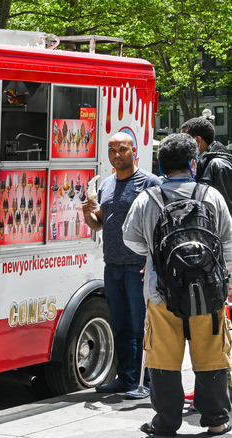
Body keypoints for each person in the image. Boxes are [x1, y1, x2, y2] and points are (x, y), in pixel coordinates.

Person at [122, 133, 232, 436]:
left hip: (161, 293)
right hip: (209, 293)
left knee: (163, 357)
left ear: (161, 165)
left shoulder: (148, 198)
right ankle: (217, 421)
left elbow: (130, 239)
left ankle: (166, 422)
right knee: (211, 353)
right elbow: (227, 245)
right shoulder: (211, 196)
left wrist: (156, 258)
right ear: (192, 163)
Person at [81, 131, 161, 398]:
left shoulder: (150, 182)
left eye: (123, 149)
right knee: (121, 325)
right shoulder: (106, 184)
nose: (117, 155)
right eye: (112, 150)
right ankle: (125, 378)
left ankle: (146, 381)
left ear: (134, 151)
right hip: (112, 265)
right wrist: (87, 215)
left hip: (138, 266)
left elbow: (162, 225)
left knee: (141, 327)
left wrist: (153, 262)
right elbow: (100, 223)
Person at [181, 115, 232, 406]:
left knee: (217, 325)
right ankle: (209, 388)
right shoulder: (214, 162)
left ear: (198, 141)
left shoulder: (216, 165)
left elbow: (219, 217)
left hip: (219, 260)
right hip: (214, 258)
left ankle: (216, 391)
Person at [181, 116, 232, 213]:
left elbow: (225, 209)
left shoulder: (218, 165)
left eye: (185, 139)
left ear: (198, 140)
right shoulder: (203, 162)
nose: (181, 143)